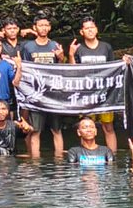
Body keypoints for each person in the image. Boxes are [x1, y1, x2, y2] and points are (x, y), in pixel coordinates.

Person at [70, 16, 118, 152]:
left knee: (108, 126)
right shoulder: (78, 48)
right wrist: (71, 55)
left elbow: (114, 68)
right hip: (86, 94)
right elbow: (72, 72)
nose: (90, 31)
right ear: (82, 32)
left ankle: (112, 157)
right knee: (85, 126)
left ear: (96, 30)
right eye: (87, 28)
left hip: (105, 94)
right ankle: (85, 154)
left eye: (92, 28)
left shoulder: (106, 47)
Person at [20, 14, 66, 158]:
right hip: (36, 94)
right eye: (41, 25)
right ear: (35, 28)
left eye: (46, 25)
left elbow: (63, 70)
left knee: (56, 129)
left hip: (53, 94)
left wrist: (61, 57)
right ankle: (35, 162)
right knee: (35, 130)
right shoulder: (28, 47)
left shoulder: (55, 45)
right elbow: (24, 69)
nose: (44, 28)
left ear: (50, 28)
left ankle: (59, 164)